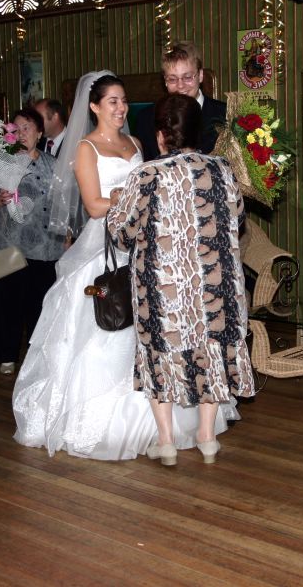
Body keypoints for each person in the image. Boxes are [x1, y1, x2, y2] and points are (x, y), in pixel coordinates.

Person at [12, 71, 237, 459]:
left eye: (123, 100)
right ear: (94, 106)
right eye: (112, 101)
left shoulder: (136, 143)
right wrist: (125, 198)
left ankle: (163, 424)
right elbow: (93, 205)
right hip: (104, 246)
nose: (121, 108)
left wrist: (141, 201)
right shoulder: (86, 147)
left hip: (145, 245)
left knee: (155, 330)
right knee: (105, 325)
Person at [107, 93, 254, 466]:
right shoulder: (223, 169)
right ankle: (207, 437)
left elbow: (121, 234)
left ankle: (167, 441)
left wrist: (119, 205)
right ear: (197, 132)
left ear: (160, 136)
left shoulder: (146, 175)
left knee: (160, 354)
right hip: (216, 285)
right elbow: (237, 220)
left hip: (163, 289)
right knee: (210, 351)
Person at [0, 108, 64, 376]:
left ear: (40, 133)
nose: (21, 133)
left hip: (45, 246)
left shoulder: (53, 164)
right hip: (10, 246)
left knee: (39, 306)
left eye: (27, 128)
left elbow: (63, 205)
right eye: (15, 129)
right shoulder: (1, 162)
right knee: (8, 305)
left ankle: (36, 356)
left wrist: (66, 237)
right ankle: (7, 356)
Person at [133, 41, 227, 161]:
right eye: (172, 79)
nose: (180, 85)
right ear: (165, 81)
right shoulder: (146, 118)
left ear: (200, 75)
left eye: (187, 77)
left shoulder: (225, 114)